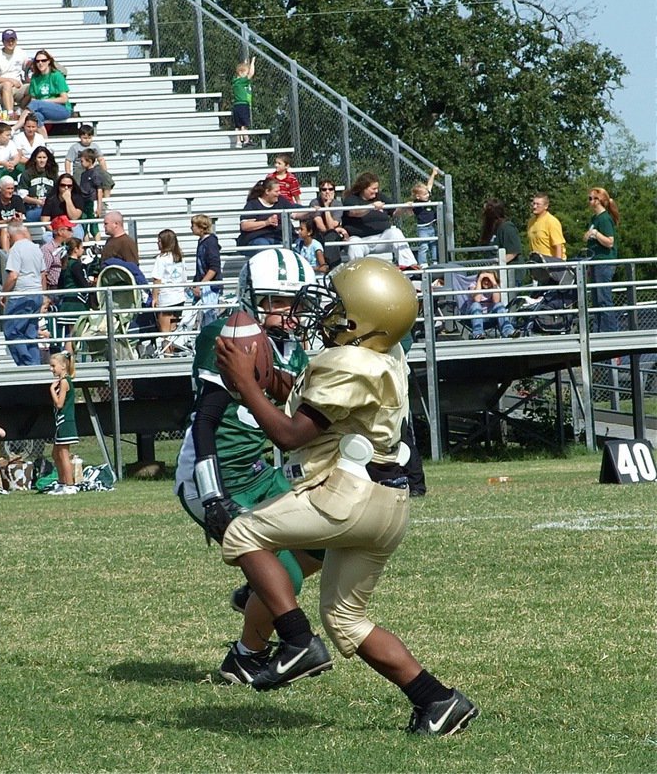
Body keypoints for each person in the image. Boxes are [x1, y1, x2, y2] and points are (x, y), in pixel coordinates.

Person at [214, 257, 478, 736]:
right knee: (346, 620)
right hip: (386, 504)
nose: (326, 308)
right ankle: (439, 702)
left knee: (242, 530)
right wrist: (270, 384)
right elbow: (319, 408)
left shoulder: (351, 361)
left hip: (347, 496)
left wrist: (246, 385)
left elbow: (291, 435)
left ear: (365, 318)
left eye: (339, 303)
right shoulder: (382, 354)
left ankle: (296, 644)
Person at [172, 247, 320, 687]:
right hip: (214, 471)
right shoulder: (231, 334)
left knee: (322, 542)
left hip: (258, 470)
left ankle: (252, 624)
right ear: (251, 297)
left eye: (296, 300)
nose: (290, 312)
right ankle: (259, 647)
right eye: (277, 300)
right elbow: (206, 420)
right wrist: (212, 493)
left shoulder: (295, 346)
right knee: (285, 574)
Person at [340, 172, 418, 267]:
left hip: (381, 239)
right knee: (354, 244)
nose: (376, 191)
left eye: (377, 188)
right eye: (373, 189)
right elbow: (354, 212)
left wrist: (404, 207)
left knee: (395, 232)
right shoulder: (351, 199)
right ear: (363, 188)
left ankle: (410, 266)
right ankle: (359, 272)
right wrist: (371, 206)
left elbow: (394, 212)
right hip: (360, 240)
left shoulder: (380, 197)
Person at [0, 222, 45, 366]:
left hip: (21, 295)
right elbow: (43, 274)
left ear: (9, 234)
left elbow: (13, 275)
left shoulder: (16, 249)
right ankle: (35, 365)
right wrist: (43, 294)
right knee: (30, 333)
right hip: (36, 293)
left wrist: (3, 293)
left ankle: (27, 364)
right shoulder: (36, 248)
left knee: (12, 331)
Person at [584, 187, 619, 333]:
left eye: (593, 198)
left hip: (604, 262)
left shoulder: (605, 218)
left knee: (604, 299)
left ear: (601, 201)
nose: (590, 201)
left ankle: (611, 332)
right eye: (589, 198)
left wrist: (596, 233)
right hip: (594, 261)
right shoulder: (594, 219)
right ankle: (599, 331)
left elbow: (610, 242)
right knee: (597, 300)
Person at [149, 229, 188, 355]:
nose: (158, 244)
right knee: (173, 331)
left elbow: (157, 279)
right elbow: (184, 278)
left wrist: (154, 297)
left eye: (159, 241)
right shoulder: (180, 257)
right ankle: (172, 354)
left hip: (166, 299)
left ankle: (167, 356)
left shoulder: (161, 259)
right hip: (179, 297)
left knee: (165, 333)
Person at [48, 351, 78, 495]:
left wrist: (52, 390)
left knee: (64, 454)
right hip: (60, 422)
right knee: (55, 454)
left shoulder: (65, 381)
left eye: (53, 366)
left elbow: (59, 404)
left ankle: (70, 485)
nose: (51, 369)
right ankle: (61, 483)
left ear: (63, 366)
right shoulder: (62, 381)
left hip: (66, 422)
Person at [458, 270, 515, 340]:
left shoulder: (494, 287)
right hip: (473, 319)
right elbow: (477, 299)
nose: (486, 282)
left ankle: (508, 332)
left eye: (489, 280)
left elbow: (496, 301)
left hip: (489, 318)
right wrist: (479, 280)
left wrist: (494, 283)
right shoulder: (473, 286)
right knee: (476, 305)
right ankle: (478, 333)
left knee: (499, 305)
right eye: (484, 279)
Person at [478, 198, 522, 286]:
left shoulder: (507, 228)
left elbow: (513, 252)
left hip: (508, 276)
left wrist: (496, 265)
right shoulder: (489, 230)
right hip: (490, 276)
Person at [0, 28, 30, 115]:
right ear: (3, 42)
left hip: (17, 88)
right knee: (7, 84)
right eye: (7, 41)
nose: (10, 43)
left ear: (16, 41)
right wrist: (11, 81)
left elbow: (28, 68)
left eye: (12, 40)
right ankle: (10, 114)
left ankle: (20, 110)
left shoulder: (21, 53)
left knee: (33, 87)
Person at [190, 214, 222, 325]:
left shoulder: (211, 242)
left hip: (210, 287)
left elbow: (214, 267)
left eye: (193, 225)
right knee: (201, 319)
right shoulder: (202, 242)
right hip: (204, 285)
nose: (191, 228)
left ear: (202, 227)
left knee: (209, 318)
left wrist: (200, 285)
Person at [239, 178, 290, 248]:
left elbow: (295, 214)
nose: (279, 193)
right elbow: (245, 225)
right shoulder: (253, 204)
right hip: (257, 239)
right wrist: (266, 222)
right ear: (267, 191)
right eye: (276, 191)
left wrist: (308, 213)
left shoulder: (281, 201)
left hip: (278, 238)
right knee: (263, 244)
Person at [26, 49, 71, 126]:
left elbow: (64, 99)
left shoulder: (56, 75)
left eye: (43, 60)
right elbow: (33, 99)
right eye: (37, 61)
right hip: (43, 108)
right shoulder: (35, 78)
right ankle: (44, 138)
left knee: (36, 104)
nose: (40, 63)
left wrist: (45, 101)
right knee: (36, 117)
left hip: (62, 109)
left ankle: (14, 128)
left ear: (49, 61)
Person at [0, 175, 27, 253]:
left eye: (12, 188)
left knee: (24, 229)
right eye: (8, 188)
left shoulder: (17, 199)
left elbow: (20, 216)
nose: (10, 191)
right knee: (5, 230)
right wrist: (9, 220)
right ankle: (6, 256)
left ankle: (30, 254)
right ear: (1, 189)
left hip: (13, 227)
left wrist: (17, 219)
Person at [409, 166, 442, 265]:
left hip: (432, 226)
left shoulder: (428, 198)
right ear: (418, 196)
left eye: (427, 193)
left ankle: (435, 262)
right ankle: (423, 264)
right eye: (424, 194)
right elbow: (409, 206)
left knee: (434, 245)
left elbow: (430, 184)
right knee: (424, 246)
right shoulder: (417, 203)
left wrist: (433, 173)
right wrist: (409, 205)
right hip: (423, 228)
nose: (427, 195)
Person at [40, 173, 86, 241]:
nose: (66, 188)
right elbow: (44, 220)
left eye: (69, 186)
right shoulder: (51, 199)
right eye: (63, 185)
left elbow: (74, 217)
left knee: (77, 232)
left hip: (72, 227)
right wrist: (57, 231)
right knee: (45, 237)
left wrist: (68, 199)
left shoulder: (78, 198)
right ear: (58, 186)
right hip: (56, 228)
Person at [20, 146, 57, 223]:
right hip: (32, 208)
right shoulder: (27, 174)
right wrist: (38, 201)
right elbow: (22, 196)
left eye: (44, 157)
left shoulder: (53, 174)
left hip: (50, 207)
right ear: (35, 159)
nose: (42, 160)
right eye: (39, 157)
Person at [525, 192, 565, 261]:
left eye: (538, 204)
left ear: (546, 206)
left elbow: (558, 246)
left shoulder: (552, 222)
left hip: (550, 264)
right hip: (537, 264)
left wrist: (558, 266)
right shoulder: (531, 222)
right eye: (534, 203)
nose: (534, 207)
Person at [231, 57, 255, 147]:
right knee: (244, 124)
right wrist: (252, 62)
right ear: (241, 73)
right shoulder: (242, 81)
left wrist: (245, 64)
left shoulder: (235, 81)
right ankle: (246, 140)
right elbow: (251, 73)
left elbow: (243, 70)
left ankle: (238, 141)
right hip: (243, 105)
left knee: (237, 125)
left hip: (236, 106)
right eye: (245, 72)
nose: (247, 74)